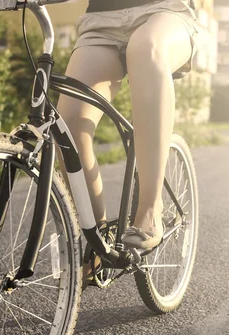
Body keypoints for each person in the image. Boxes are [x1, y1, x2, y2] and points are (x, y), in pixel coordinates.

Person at [57, 0, 199, 253]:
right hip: (101, 21)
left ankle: (150, 208)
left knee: (146, 48)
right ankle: (96, 242)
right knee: (68, 124)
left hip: (164, 11)